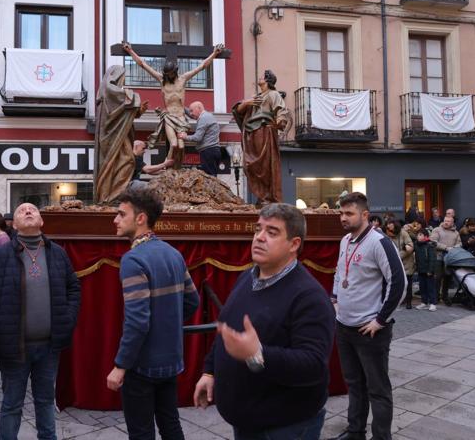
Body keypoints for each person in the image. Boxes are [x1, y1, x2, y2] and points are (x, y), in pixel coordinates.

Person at [193, 203, 335, 440]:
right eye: (258, 229)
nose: (259, 238)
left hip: (284, 426)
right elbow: (227, 329)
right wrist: (210, 372)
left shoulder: (309, 297)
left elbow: (313, 365)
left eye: (272, 232)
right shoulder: (247, 277)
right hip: (247, 422)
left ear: (294, 244)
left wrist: (257, 354)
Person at [0, 202, 81, 440]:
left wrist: (67, 319)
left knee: (45, 402)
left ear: (41, 221)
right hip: (13, 347)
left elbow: (73, 288)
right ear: (14, 224)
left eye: (33, 210)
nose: (28, 212)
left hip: (50, 347)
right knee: (12, 404)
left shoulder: (58, 253)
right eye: (22, 210)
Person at [106, 184, 200, 439]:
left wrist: (120, 366)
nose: (115, 219)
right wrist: (166, 326)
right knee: (171, 425)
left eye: (121, 214)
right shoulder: (173, 254)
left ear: (140, 218)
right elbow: (193, 302)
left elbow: (137, 321)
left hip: (142, 367)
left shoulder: (133, 260)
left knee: (141, 433)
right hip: (171, 361)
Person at [332, 192, 405, 440]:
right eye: (341, 213)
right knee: (354, 385)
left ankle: (381, 437)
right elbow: (339, 272)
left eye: (349, 213)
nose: (343, 218)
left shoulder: (379, 242)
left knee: (378, 389)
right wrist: (334, 300)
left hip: (370, 330)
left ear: (365, 215)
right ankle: (355, 432)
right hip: (344, 327)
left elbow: (399, 282)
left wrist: (380, 320)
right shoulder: (345, 241)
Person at [122, 41, 224, 168]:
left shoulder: (183, 79)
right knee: (174, 144)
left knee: (181, 146)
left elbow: (202, 66)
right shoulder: (162, 80)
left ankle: (177, 168)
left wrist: (214, 53)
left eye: (170, 74)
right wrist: (130, 51)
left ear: (174, 72)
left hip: (181, 117)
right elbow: (144, 65)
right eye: (167, 74)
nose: (168, 76)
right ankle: (167, 168)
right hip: (169, 117)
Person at [232, 69, 290, 204]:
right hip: (251, 134)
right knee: (250, 166)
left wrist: (280, 121)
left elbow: (281, 109)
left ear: (268, 80)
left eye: (263, 77)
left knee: (265, 166)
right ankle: (262, 196)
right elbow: (238, 111)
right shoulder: (256, 97)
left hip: (264, 132)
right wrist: (246, 103)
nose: (260, 78)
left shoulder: (273, 94)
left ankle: (267, 197)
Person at [95, 65, 149, 203]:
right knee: (127, 159)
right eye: (122, 78)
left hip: (120, 133)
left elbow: (124, 110)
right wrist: (133, 97)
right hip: (113, 136)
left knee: (123, 161)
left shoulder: (110, 95)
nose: (123, 82)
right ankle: (113, 195)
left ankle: (115, 194)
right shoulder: (109, 91)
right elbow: (124, 101)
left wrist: (138, 111)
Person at [179, 101, 221, 176]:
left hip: (208, 151)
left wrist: (185, 137)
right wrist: (182, 107)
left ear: (199, 108)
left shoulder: (203, 118)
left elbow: (197, 138)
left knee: (209, 177)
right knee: (212, 175)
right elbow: (192, 115)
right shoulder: (207, 116)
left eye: (192, 110)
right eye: (190, 111)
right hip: (212, 150)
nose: (190, 113)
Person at [430, 216, 461, 304]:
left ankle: (445, 296)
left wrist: (455, 247)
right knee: (437, 277)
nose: (446, 222)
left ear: (452, 223)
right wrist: (446, 248)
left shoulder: (456, 233)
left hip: (450, 258)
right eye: (445, 221)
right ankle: (435, 297)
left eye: (448, 221)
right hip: (438, 256)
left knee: (448, 277)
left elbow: (459, 243)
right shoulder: (437, 230)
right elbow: (433, 242)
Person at [385, 219, 415, 309]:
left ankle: (408, 301)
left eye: (391, 224)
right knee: (397, 283)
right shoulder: (386, 234)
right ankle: (400, 300)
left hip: (406, 261)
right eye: (388, 225)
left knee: (408, 283)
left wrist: (398, 255)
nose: (389, 227)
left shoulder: (403, 233)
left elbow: (410, 245)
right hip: (394, 262)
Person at [415, 228, 437, 311]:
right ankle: (424, 302)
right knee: (422, 287)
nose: (418, 236)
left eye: (420, 235)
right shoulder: (417, 245)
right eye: (417, 235)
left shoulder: (429, 245)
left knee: (430, 287)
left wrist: (430, 270)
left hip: (428, 271)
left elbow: (432, 259)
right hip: (420, 270)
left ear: (426, 236)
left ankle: (433, 303)